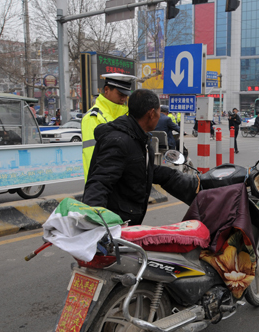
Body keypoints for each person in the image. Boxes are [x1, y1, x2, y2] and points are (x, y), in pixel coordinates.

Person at [83, 89, 199, 226]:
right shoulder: (119, 141)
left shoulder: (138, 137)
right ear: (151, 114)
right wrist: (96, 225)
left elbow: (139, 167)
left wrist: (188, 182)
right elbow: (99, 182)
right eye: (158, 112)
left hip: (127, 223)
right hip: (115, 227)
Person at [81, 73, 137, 181]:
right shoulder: (93, 117)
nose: (124, 99)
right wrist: (95, 189)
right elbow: (91, 157)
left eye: (126, 95)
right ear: (106, 90)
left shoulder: (127, 115)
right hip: (104, 186)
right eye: (120, 94)